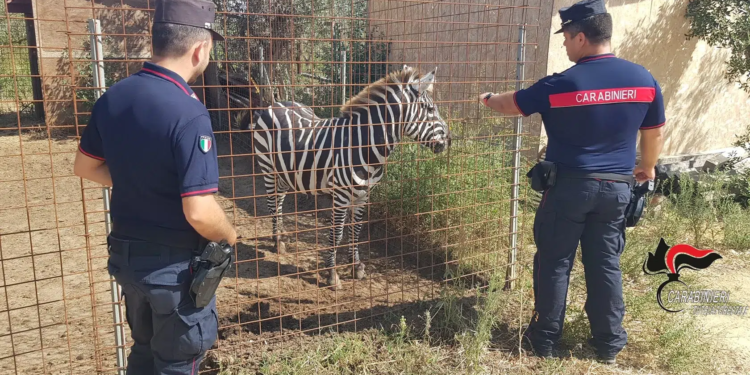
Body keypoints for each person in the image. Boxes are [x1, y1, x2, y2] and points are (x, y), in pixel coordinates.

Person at [478, 0, 665, 365]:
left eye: (565, 37)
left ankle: (545, 341)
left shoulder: (561, 84)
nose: (564, 44)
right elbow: (654, 132)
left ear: (581, 37)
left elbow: (509, 105)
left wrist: (486, 97)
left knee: (554, 261)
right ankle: (609, 345)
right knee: (605, 264)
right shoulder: (644, 79)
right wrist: (647, 166)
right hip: (616, 190)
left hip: (568, 189)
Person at [73, 0, 237, 373]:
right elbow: (199, 210)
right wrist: (230, 233)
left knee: (143, 355)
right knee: (176, 363)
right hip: (174, 275)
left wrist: (137, 179)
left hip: (128, 263)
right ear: (201, 49)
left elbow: (84, 165)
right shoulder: (189, 111)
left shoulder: (114, 97)